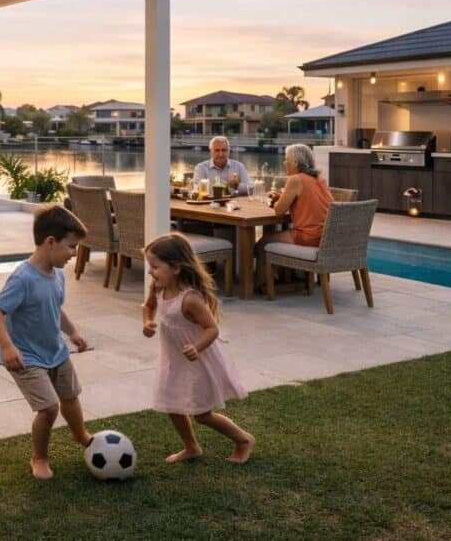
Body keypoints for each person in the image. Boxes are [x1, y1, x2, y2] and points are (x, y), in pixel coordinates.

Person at [0, 205, 93, 480]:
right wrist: (8, 347)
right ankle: (39, 457)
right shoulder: (23, 278)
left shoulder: (57, 275)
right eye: (71, 247)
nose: (74, 254)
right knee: (48, 409)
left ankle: (79, 433)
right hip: (27, 356)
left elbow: (55, 309)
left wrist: (72, 332)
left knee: (70, 395)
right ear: (50, 242)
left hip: (55, 351)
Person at [142, 233, 254, 464]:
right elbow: (149, 306)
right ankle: (191, 447)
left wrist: (196, 346)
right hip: (173, 359)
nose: (150, 272)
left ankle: (243, 440)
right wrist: (148, 322)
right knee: (172, 404)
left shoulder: (190, 298)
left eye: (154, 266)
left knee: (202, 414)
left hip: (198, 360)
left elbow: (212, 329)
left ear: (175, 268)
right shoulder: (158, 287)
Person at [254, 143, 333, 287]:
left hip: (308, 236)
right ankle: (276, 277)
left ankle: (260, 285)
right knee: (273, 239)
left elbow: (279, 211)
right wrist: (282, 196)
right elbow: (306, 200)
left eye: (286, 159)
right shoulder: (320, 179)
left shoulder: (295, 179)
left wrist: (279, 199)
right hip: (326, 236)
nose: (284, 163)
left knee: (262, 243)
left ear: (295, 162)